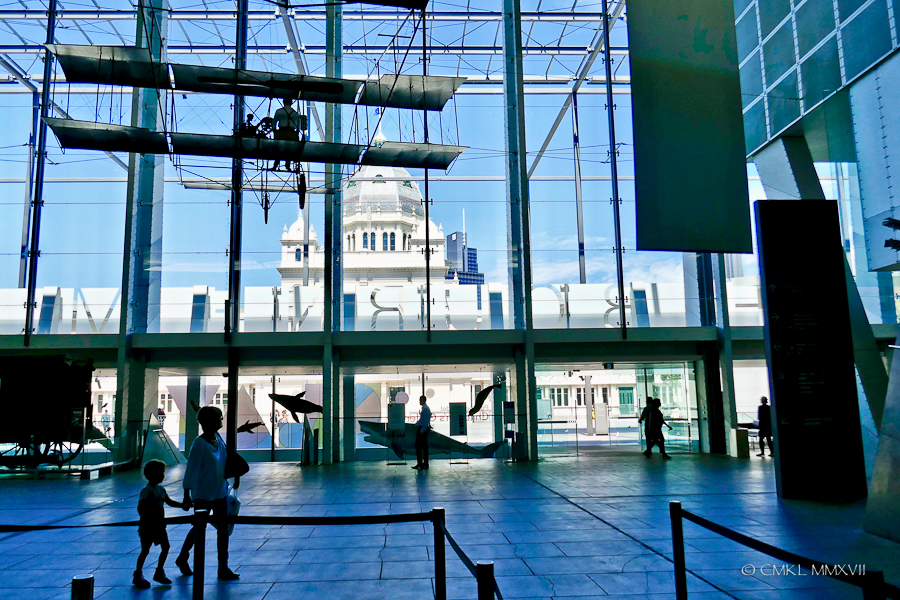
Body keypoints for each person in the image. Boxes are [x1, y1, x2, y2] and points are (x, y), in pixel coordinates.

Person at [176, 406, 241, 581]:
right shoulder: (199, 444)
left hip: (220, 492)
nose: (222, 419)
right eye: (219, 417)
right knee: (200, 528)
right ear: (210, 421)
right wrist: (186, 494)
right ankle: (183, 556)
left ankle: (223, 566)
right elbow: (192, 470)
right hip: (203, 494)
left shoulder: (218, 439)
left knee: (222, 531)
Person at [134, 460, 188, 588]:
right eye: (160, 473)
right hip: (149, 527)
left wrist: (182, 505)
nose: (163, 475)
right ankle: (142, 573)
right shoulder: (147, 491)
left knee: (163, 547)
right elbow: (141, 509)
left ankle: (157, 571)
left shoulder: (160, 489)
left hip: (157, 526)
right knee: (146, 550)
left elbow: (169, 502)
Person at [271, 97, 302, 171]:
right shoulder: (295, 113)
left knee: (278, 149)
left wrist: (274, 130)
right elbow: (299, 125)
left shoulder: (279, 111)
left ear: (283, 102)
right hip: (291, 132)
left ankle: (275, 165)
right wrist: (296, 132)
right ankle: (287, 166)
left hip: (281, 132)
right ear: (291, 103)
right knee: (289, 149)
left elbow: (274, 122)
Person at [413, 395, 431, 470]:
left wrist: (422, 430)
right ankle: (422, 463)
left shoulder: (425, 409)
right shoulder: (425, 408)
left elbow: (425, 420)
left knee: (420, 447)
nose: (419, 401)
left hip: (422, 429)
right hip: (422, 428)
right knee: (423, 447)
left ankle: (421, 463)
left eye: (420, 400)